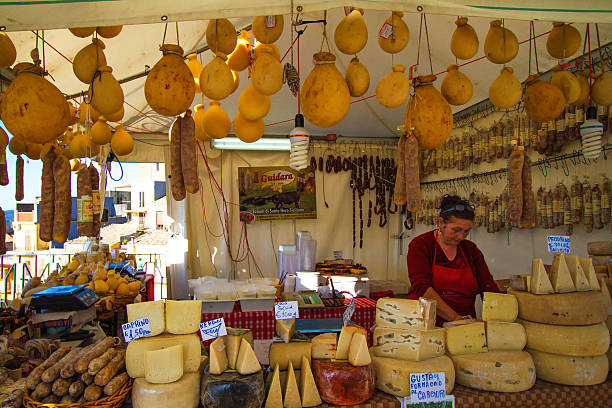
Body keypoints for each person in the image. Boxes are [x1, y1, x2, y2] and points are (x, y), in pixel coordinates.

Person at [407, 195, 499, 326]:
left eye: (466, 231)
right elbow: (422, 288)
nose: (461, 237)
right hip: (428, 324)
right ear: (441, 223)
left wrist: (498, 315)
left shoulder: (470, 250)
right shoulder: (421, 245)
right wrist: (455, 319)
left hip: (465, 326)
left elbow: (488, 287)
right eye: (456, 230)